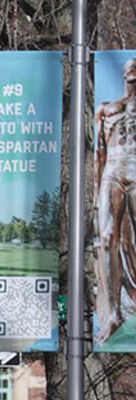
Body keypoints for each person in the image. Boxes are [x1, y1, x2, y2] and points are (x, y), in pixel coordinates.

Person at [95, 57, 136, 343]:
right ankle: (112, 315)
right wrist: (97, 190)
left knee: (131, 242)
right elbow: (99, 151)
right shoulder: (108, 109)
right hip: (112, 171)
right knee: (107, 237)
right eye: (129, 78)